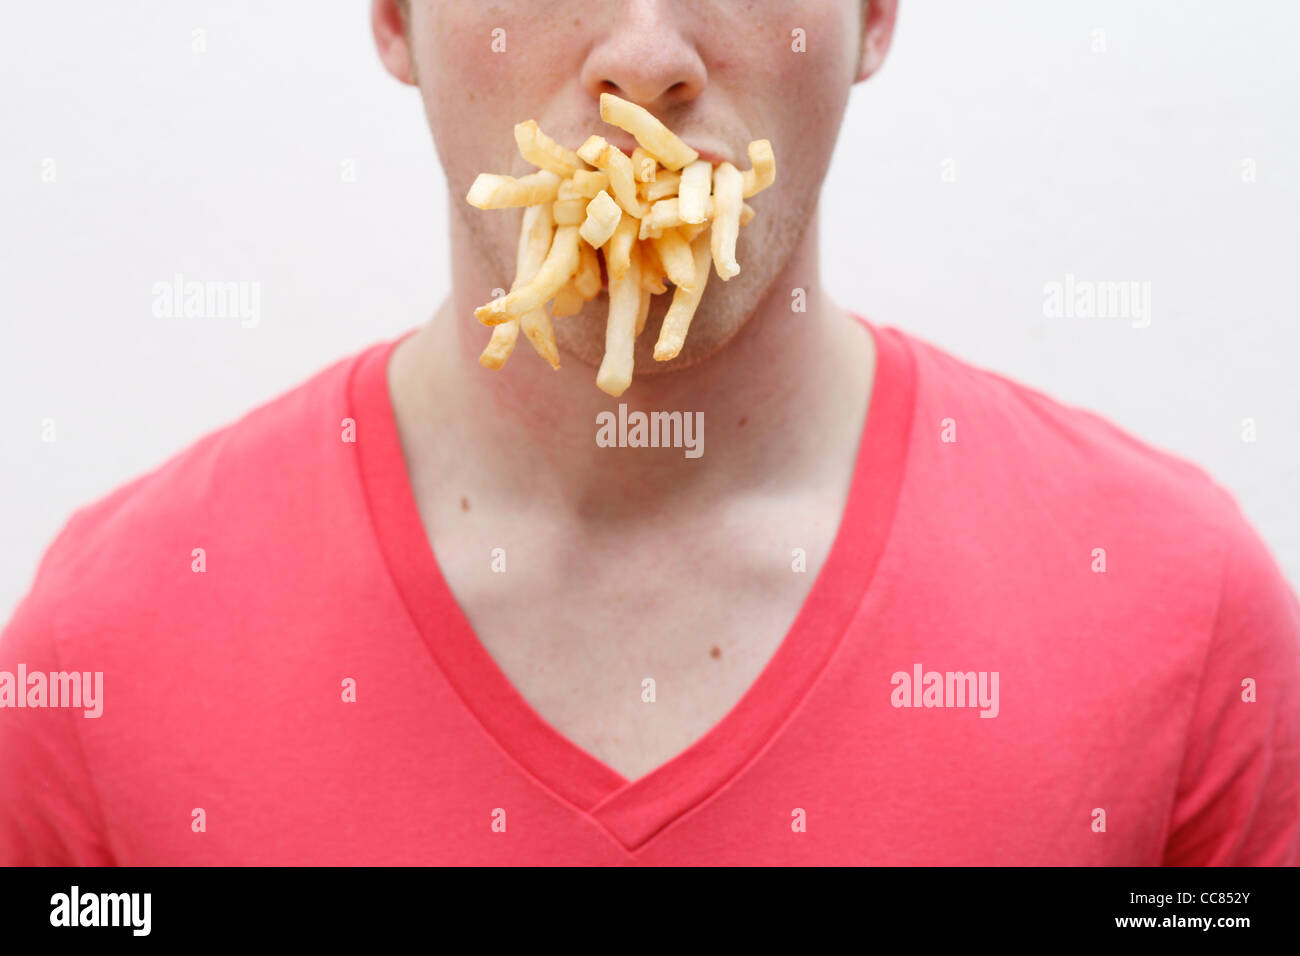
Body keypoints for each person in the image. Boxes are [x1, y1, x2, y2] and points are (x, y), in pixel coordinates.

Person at [2, 0, 1296, 865]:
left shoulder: (1179, 624)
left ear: (877, 15)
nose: (644, 54)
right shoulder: (103, 657)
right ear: (396, 16)